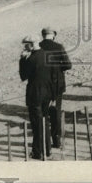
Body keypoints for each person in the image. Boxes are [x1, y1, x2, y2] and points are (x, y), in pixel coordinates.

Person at [21, 28, 71, 159]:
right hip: (48, 94)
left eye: (26, 44)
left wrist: (22, 60)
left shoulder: (31, 58)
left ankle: (39, 152)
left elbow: (23, 75)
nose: (25, 47)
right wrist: (54, 96)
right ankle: (47, 149)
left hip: (35, 95)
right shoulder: (49, 56)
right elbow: (55, 77)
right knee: (45, 121)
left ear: (32, 45)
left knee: (37, 124)